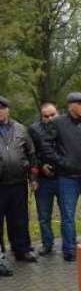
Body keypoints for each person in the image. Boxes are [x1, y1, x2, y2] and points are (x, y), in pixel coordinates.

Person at [40, 92, 81, 262]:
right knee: (68, 216)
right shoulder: (57, 123)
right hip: (67, 179)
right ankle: (70, 251)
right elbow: (46, 145)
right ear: (71, 105)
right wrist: (61, 162)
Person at [0, 94, 38, 272]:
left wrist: (34, 178)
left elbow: (31, 155)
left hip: (18, 183)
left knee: (20, 219)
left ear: (8, 109)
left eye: (2, 107)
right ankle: (1, 256)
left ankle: (21, 250)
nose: (0, 111)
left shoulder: (21, 129)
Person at [28, 102, 63, 255]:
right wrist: (41, 167)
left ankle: (69, 241)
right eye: (46, 116)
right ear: (41, 116)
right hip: (43, 179)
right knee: (44, 215)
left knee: (66, 213)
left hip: (64, 177)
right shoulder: (34, 129)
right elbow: (32, 154)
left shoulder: (66, 127)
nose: (49, 118)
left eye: (52, 115)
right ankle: (47, 244)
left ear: (58, 113)